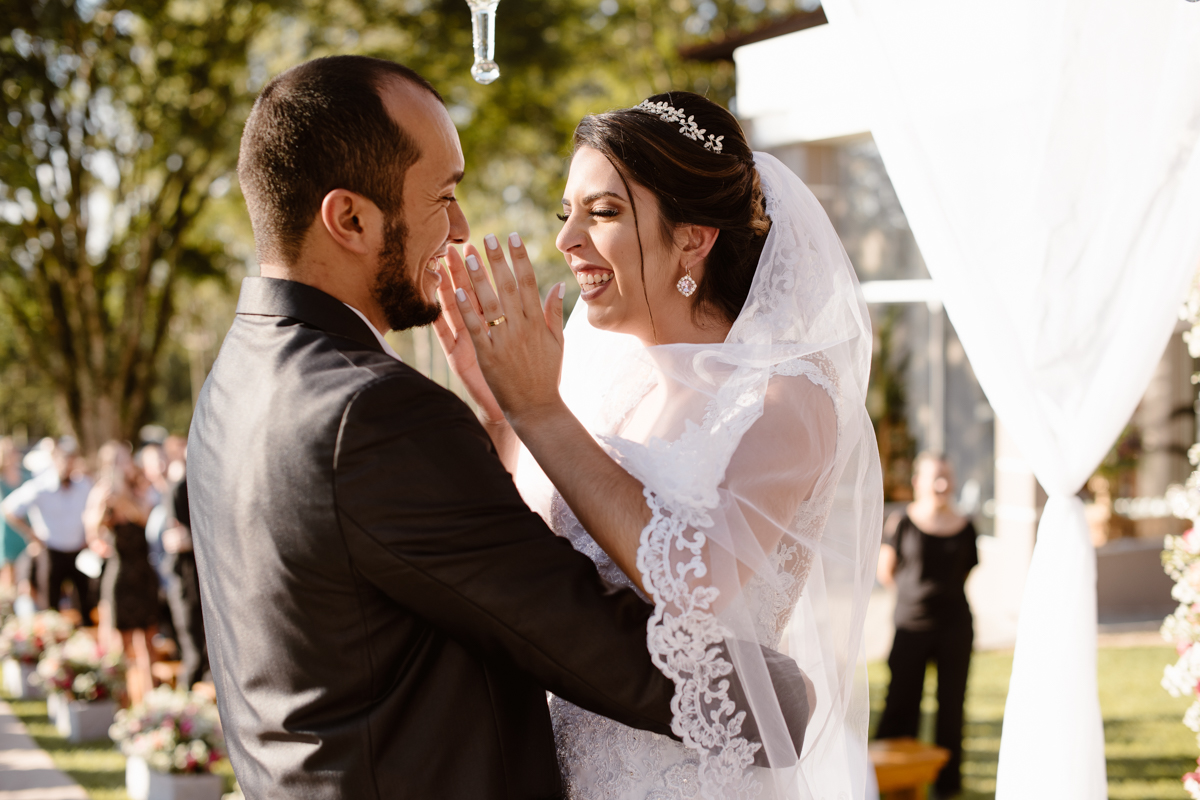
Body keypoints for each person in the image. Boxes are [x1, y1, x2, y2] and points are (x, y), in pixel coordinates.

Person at [188, 56, 807, 798]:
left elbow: (466, 565)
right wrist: (780, 700)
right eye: (442, 197)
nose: (461, 228)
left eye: (601, 211)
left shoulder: (238, 379)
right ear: (350, 218)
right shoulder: (375, 414)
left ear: (694, 239)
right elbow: (568, 629)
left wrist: (508, 418)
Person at [440, 92, 883, 798]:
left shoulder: (787, 393)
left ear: (693, 237)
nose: (567, 241)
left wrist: (538, 410)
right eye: (567, 214)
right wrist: (503, 419)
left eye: (603, 212)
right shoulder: (597, 366)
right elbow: (532, 549)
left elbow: (695, 582)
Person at [874, 452, 978, 799]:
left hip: (955, 629)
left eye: (947, 476)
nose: (942, 484)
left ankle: (947, 787)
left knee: (951, 707)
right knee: (901, 703)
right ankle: (888, 780)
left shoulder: (967, 526)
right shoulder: (900, 521)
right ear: (918, 481)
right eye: (935, 477)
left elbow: (965, 572)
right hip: (911, 627)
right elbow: (886, 572)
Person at [84, 441, 159, 703]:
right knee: (121, 646)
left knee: (148, 644)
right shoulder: (102, 493)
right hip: (120, 574)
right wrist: (102, 509)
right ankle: (121, 705)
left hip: (144, 573)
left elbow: (146, 519)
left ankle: (151, 703)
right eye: (121, 460)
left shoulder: (139, 488)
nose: (126, 464)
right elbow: (92, 532)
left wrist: (124, 501)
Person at [2, 439, 95, 620]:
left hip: (79, 551)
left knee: (85, 602)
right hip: (52, 552)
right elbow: (10, 509)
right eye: (63, 460)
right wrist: (32, 535)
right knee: (50, 604)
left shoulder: (84, 485)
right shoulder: (41, 486)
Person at [0, 437, 29, 593]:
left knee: (25, 573)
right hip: (5, 530)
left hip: (25, 528)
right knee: (9, 573)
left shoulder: (26, 478)